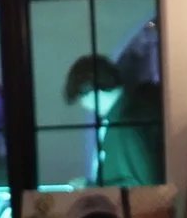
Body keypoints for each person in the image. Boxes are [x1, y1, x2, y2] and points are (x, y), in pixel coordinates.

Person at [62, 53, 161, 189]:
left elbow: (140, 186)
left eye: (81, 98)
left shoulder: (123, 124)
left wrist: (90, 189)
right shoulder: (126, 112)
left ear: (91, 92)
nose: (83, 105)